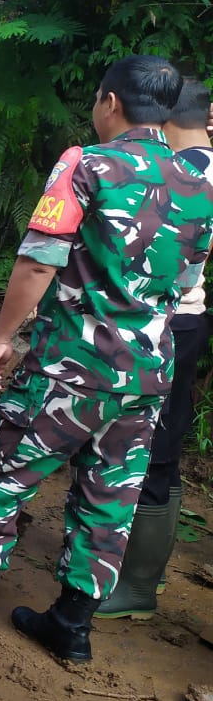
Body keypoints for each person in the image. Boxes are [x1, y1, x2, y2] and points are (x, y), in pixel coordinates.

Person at [0, 55, 213, 663]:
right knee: (112, 494)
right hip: (149, 371)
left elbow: (36, 261)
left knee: (1, 471)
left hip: (71, 364)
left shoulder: (87, 165)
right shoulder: (198, 184)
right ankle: (72, 626)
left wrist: (1, 335)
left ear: (110, 102)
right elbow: (185, 283)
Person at [95, 77, 213, 620]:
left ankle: (137, 583)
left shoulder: (193, 174)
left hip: (169, 320)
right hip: (180, 319)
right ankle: (118, 569)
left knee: (154, 447)